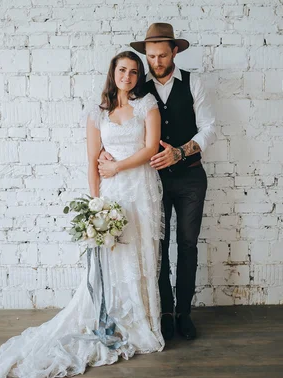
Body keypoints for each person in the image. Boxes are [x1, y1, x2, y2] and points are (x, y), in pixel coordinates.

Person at [0, 51, 164, 378]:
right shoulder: (98, 112)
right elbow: (92, 159)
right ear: (113, 73)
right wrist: (95, 204)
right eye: (122, 70)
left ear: (139, 77)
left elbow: (151, 147)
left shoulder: (146, 105)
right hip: (112, 192)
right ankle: (111, 318)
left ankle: (141, 321)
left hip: (139, 188)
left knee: (140, 254)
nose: (128, 76)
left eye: (134, 72)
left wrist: (118, 166)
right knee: (111, 258)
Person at [103, 23, 216, 341]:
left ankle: (185, 314)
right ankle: (165, 312)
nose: (156, 61)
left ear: (175, 51)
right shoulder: (138, 87)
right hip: (152, 181)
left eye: (162, 55)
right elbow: (117, 118)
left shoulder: (194, 84)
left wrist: (180, 153)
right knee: (158, 246)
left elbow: (209, 128)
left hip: (191, 177)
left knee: (188, 245)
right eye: (150, 56)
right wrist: (107, 156)